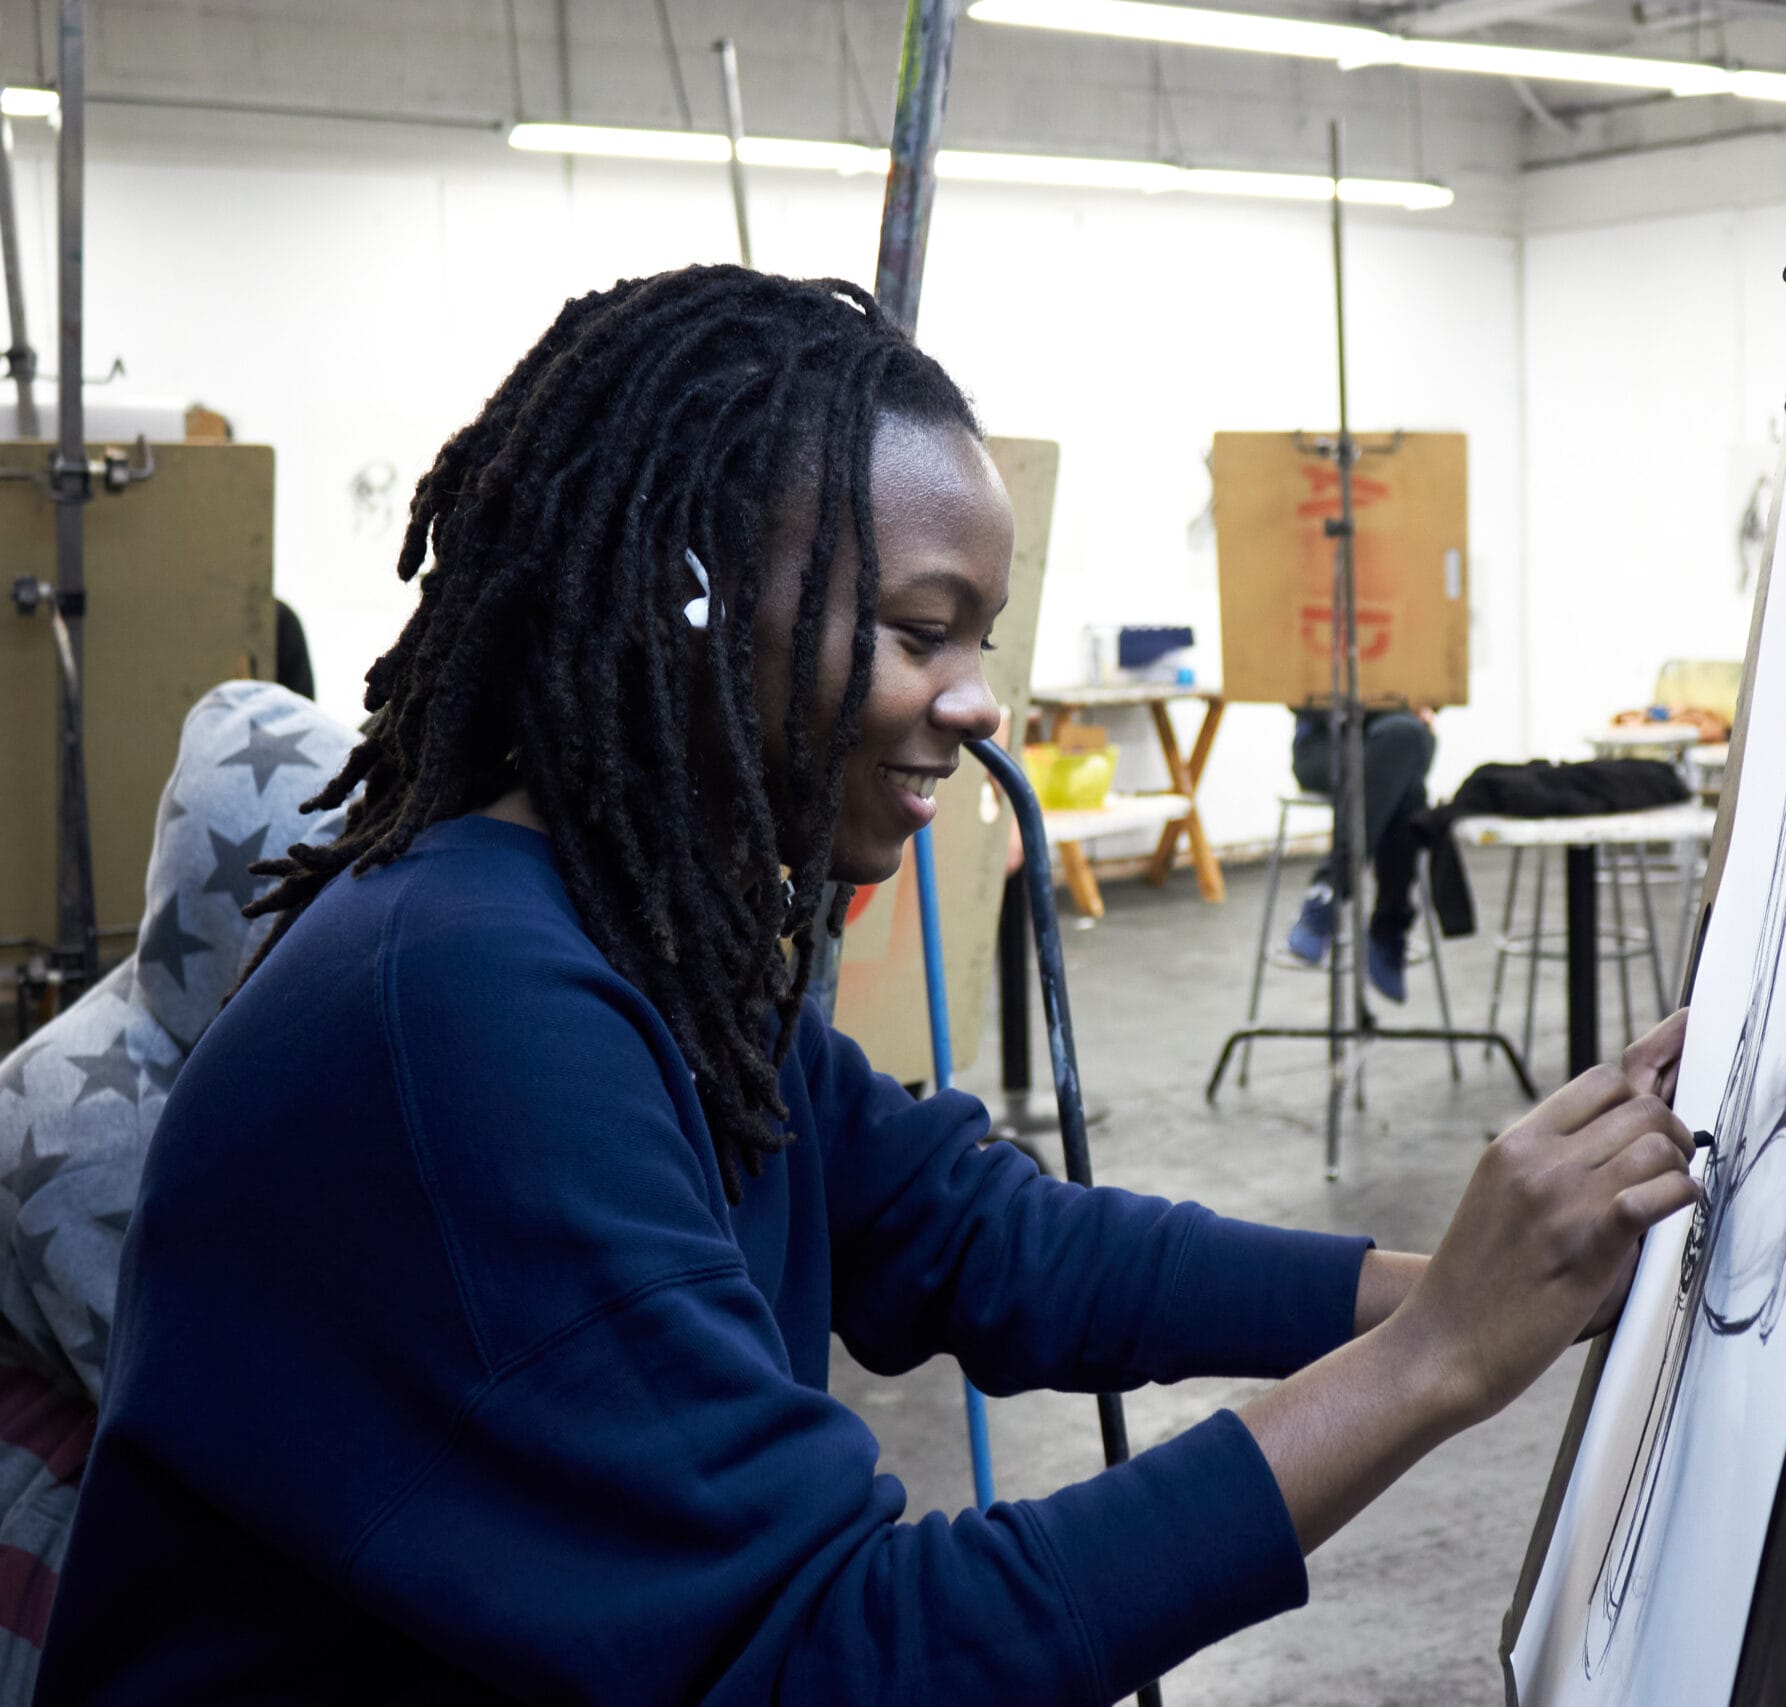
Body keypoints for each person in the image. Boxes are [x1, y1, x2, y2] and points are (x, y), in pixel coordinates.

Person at [36, 267, 1702, 1704]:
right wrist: (1434, 1365)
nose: (976, 702)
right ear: (687, 606)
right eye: (923, 632)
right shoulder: (471, 1009)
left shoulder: (643, 943)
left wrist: (1461, 1279)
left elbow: (992, 1242)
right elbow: (832, 1656)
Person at [1285, 705, 1434, 1002]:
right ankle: (1391, 924)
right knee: (1406, 781)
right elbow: (1295, 690)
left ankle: (1328, 889)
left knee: (1401, 739)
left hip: (1400, 731)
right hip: (1328, 742)